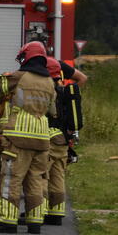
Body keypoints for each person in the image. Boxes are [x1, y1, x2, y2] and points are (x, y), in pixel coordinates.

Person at [0, 41, 56, 234]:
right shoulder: (50, 82)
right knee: (36, 180)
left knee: (11, 177)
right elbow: (53, 110)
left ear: (26, 57)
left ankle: (7, 220)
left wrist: (3, 99)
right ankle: (35, 221)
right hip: (42, 137)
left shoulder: (19, 76)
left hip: (18, 136)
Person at [43, 57, 71, 225]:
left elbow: (48, 112)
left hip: (50, 137)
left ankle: (41, 210)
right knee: (58, 175)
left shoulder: (49, 92)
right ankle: (57, 212)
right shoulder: (64, 91)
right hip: (63, 140)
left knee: (42, 175)